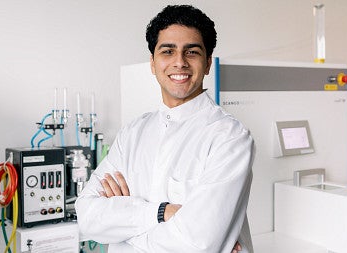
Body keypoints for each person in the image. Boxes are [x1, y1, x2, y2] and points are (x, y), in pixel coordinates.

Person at [76, 5, 254, 253]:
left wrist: (122, 235)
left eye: (191, 52)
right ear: (153, 62)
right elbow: (86, 217)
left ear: (207, 64)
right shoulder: (132, 133)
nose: (179, 62)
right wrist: (161, 212)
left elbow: (196, 243)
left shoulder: (229, 137)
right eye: (167, 51)